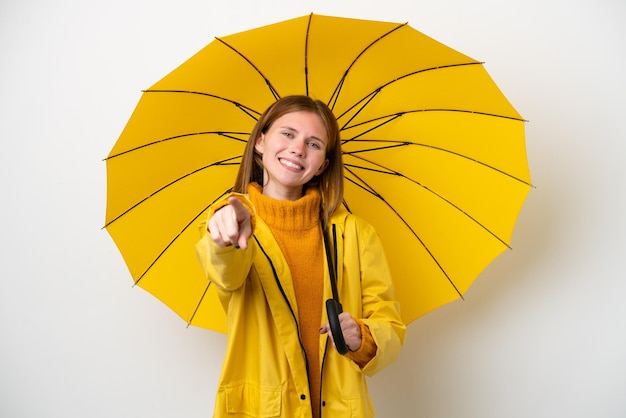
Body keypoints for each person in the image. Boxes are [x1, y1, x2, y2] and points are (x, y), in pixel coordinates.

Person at [195, 95, 405, 418]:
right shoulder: (232, 220)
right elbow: (226, 273)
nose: (298, 149)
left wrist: (362, 336)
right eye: (288, 134)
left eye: (314, 143)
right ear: (261, 142)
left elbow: (390, 326)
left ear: (323, 164)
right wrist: (224, 235)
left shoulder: (356, 235)